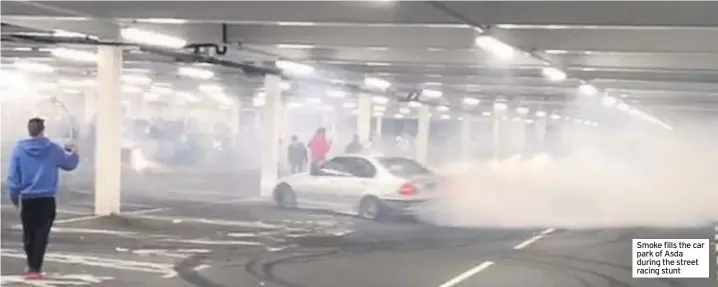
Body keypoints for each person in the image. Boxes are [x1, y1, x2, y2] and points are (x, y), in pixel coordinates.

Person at [7, 118, 80, 280]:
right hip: (46, 199)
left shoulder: (19, 149)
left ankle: (31, 264)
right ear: (42, 130)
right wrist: (74, 152)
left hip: (27, 198)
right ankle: (35, 267)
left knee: (28, 234)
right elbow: (69, 164)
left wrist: (14, 196)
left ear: (28, 130)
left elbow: (13, 175)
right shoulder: (53, 148)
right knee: (41, 233)